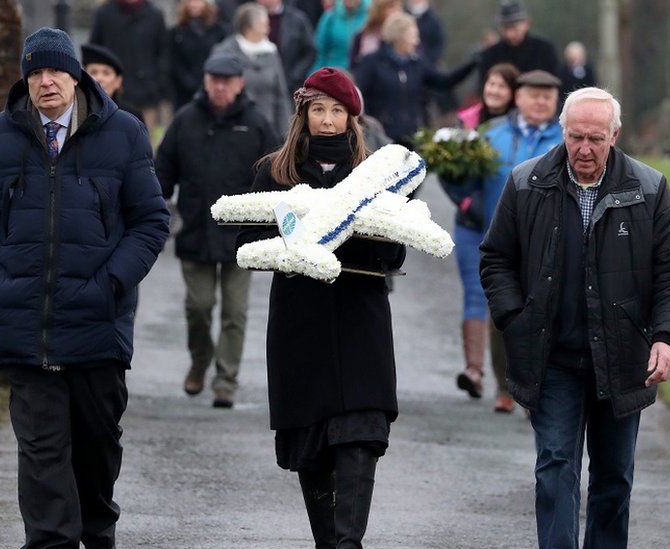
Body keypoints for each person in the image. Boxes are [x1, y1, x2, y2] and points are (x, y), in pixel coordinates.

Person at [0, 27, 170, 547]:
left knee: (95, 461)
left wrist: (110, 284)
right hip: (25, 332)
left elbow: (150, 222)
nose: (46, 81)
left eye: (55, 71)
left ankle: (97, 534)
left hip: (97, 329)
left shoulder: (125, 135)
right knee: (43, 459)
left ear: (76, 76)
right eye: (35, 72)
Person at [480, 87, 670, 548]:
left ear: (615, 135)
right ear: (562, 132)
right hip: (552, 357)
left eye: (595, 139)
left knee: (614, 479)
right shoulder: (526, 182)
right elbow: (496, 258)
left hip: (622, 358)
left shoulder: (650, 188)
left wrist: (666, 338)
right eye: (575, 136)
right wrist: (516, 319)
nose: (584, 148)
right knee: (556, 466)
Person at [236, 67, 405, 548]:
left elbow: (396, 253)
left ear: (353, 119)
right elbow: (247, 241)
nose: (327, 121)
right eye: (318, 110)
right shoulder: (273, 171)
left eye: (337, 111)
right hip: (300, 325)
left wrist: (360, 232)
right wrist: (296, 241)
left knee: (358, 437)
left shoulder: (375, 175)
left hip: (360, 323)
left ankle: (347, 544)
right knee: (311, 447)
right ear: (302, 114)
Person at [155, 54, 279, 408]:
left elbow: (276, 175)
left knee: (235, 312)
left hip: (242, 235)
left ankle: (226, 379)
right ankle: (200, 359)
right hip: (195, 229)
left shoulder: (256, 124)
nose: (220, 86)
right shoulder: (185, 121)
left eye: (227, 80)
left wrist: (271, 221)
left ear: (240, 83)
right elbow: (162, 172)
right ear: (205, 82)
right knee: (199, 306)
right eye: (214, 79)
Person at [449, 70, 561, 413]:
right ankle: (506, 386)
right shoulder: (491, 135)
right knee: (504, 315)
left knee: (545, 315)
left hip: (549, 244)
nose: (540, 102)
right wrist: (464, 196)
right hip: (501, 242)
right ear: (519, 97)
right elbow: (463, 182)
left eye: (547, 96)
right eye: (534, 95)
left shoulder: (566, 139)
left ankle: (537, 388)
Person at [353, 12, 475, 149]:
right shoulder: (372, 63)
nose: (416, 41)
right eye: (413, 36)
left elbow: (443, 82)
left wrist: (472, 65)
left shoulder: (417, 64)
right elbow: (358, 97)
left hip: (414, 139)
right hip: (381, 141)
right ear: (399, 36)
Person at [212, 3, 293, 138]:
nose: (268, 29)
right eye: (264, 24)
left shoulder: (271, 52)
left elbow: (280, 95)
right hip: (233, 129)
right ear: (250, 26)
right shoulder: (224, 52)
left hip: (267, 129)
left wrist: (286, 133)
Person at [89, 0, 168, 131]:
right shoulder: (104, 14)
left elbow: (163, 53)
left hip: (146, 95)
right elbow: (94, 52)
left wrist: (156, 84)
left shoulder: (155, 15)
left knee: (144, 140)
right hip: (110, 95)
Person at [468, 0, 559, 89]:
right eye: (505, 29)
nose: (510, 34)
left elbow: (555, 82)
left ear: (526, 24)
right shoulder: (490, 55)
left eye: (514, 28)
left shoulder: (544, 49)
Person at [169, 0, 228, 109]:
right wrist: (187, 81)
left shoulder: (219, 30)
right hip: (184, 91)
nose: (194, 4)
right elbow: (173, 60)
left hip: (212, 86)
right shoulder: (177, 32)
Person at [257, 0, 317, 91]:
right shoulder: (251, 19)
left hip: (291, 85)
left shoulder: (297, 20)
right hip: (260, 84)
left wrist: (295, 75)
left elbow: (310, 51)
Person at [81, 43, 145, 122]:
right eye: (93, 72)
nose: (99, 78)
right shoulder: (76, 113)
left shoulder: (132, 117)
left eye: (106, 73)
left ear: (118, 81)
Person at [456, 62, 519, 130]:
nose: (495, 91)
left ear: (513, 92)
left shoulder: (521, 122)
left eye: (502, 86)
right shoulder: (466, 119)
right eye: (491, 84)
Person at [311, 0, 370, 71]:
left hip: (361, 75)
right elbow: (319, 51)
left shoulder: (369, 16)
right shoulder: (330, 17)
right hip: (334, 75)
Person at [347, 0, 403, 68]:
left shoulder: (403, 36)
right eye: (391, 7)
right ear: (379, 10)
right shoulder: (362, 36)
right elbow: (353, 64)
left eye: (398, 7)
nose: (397, 12)